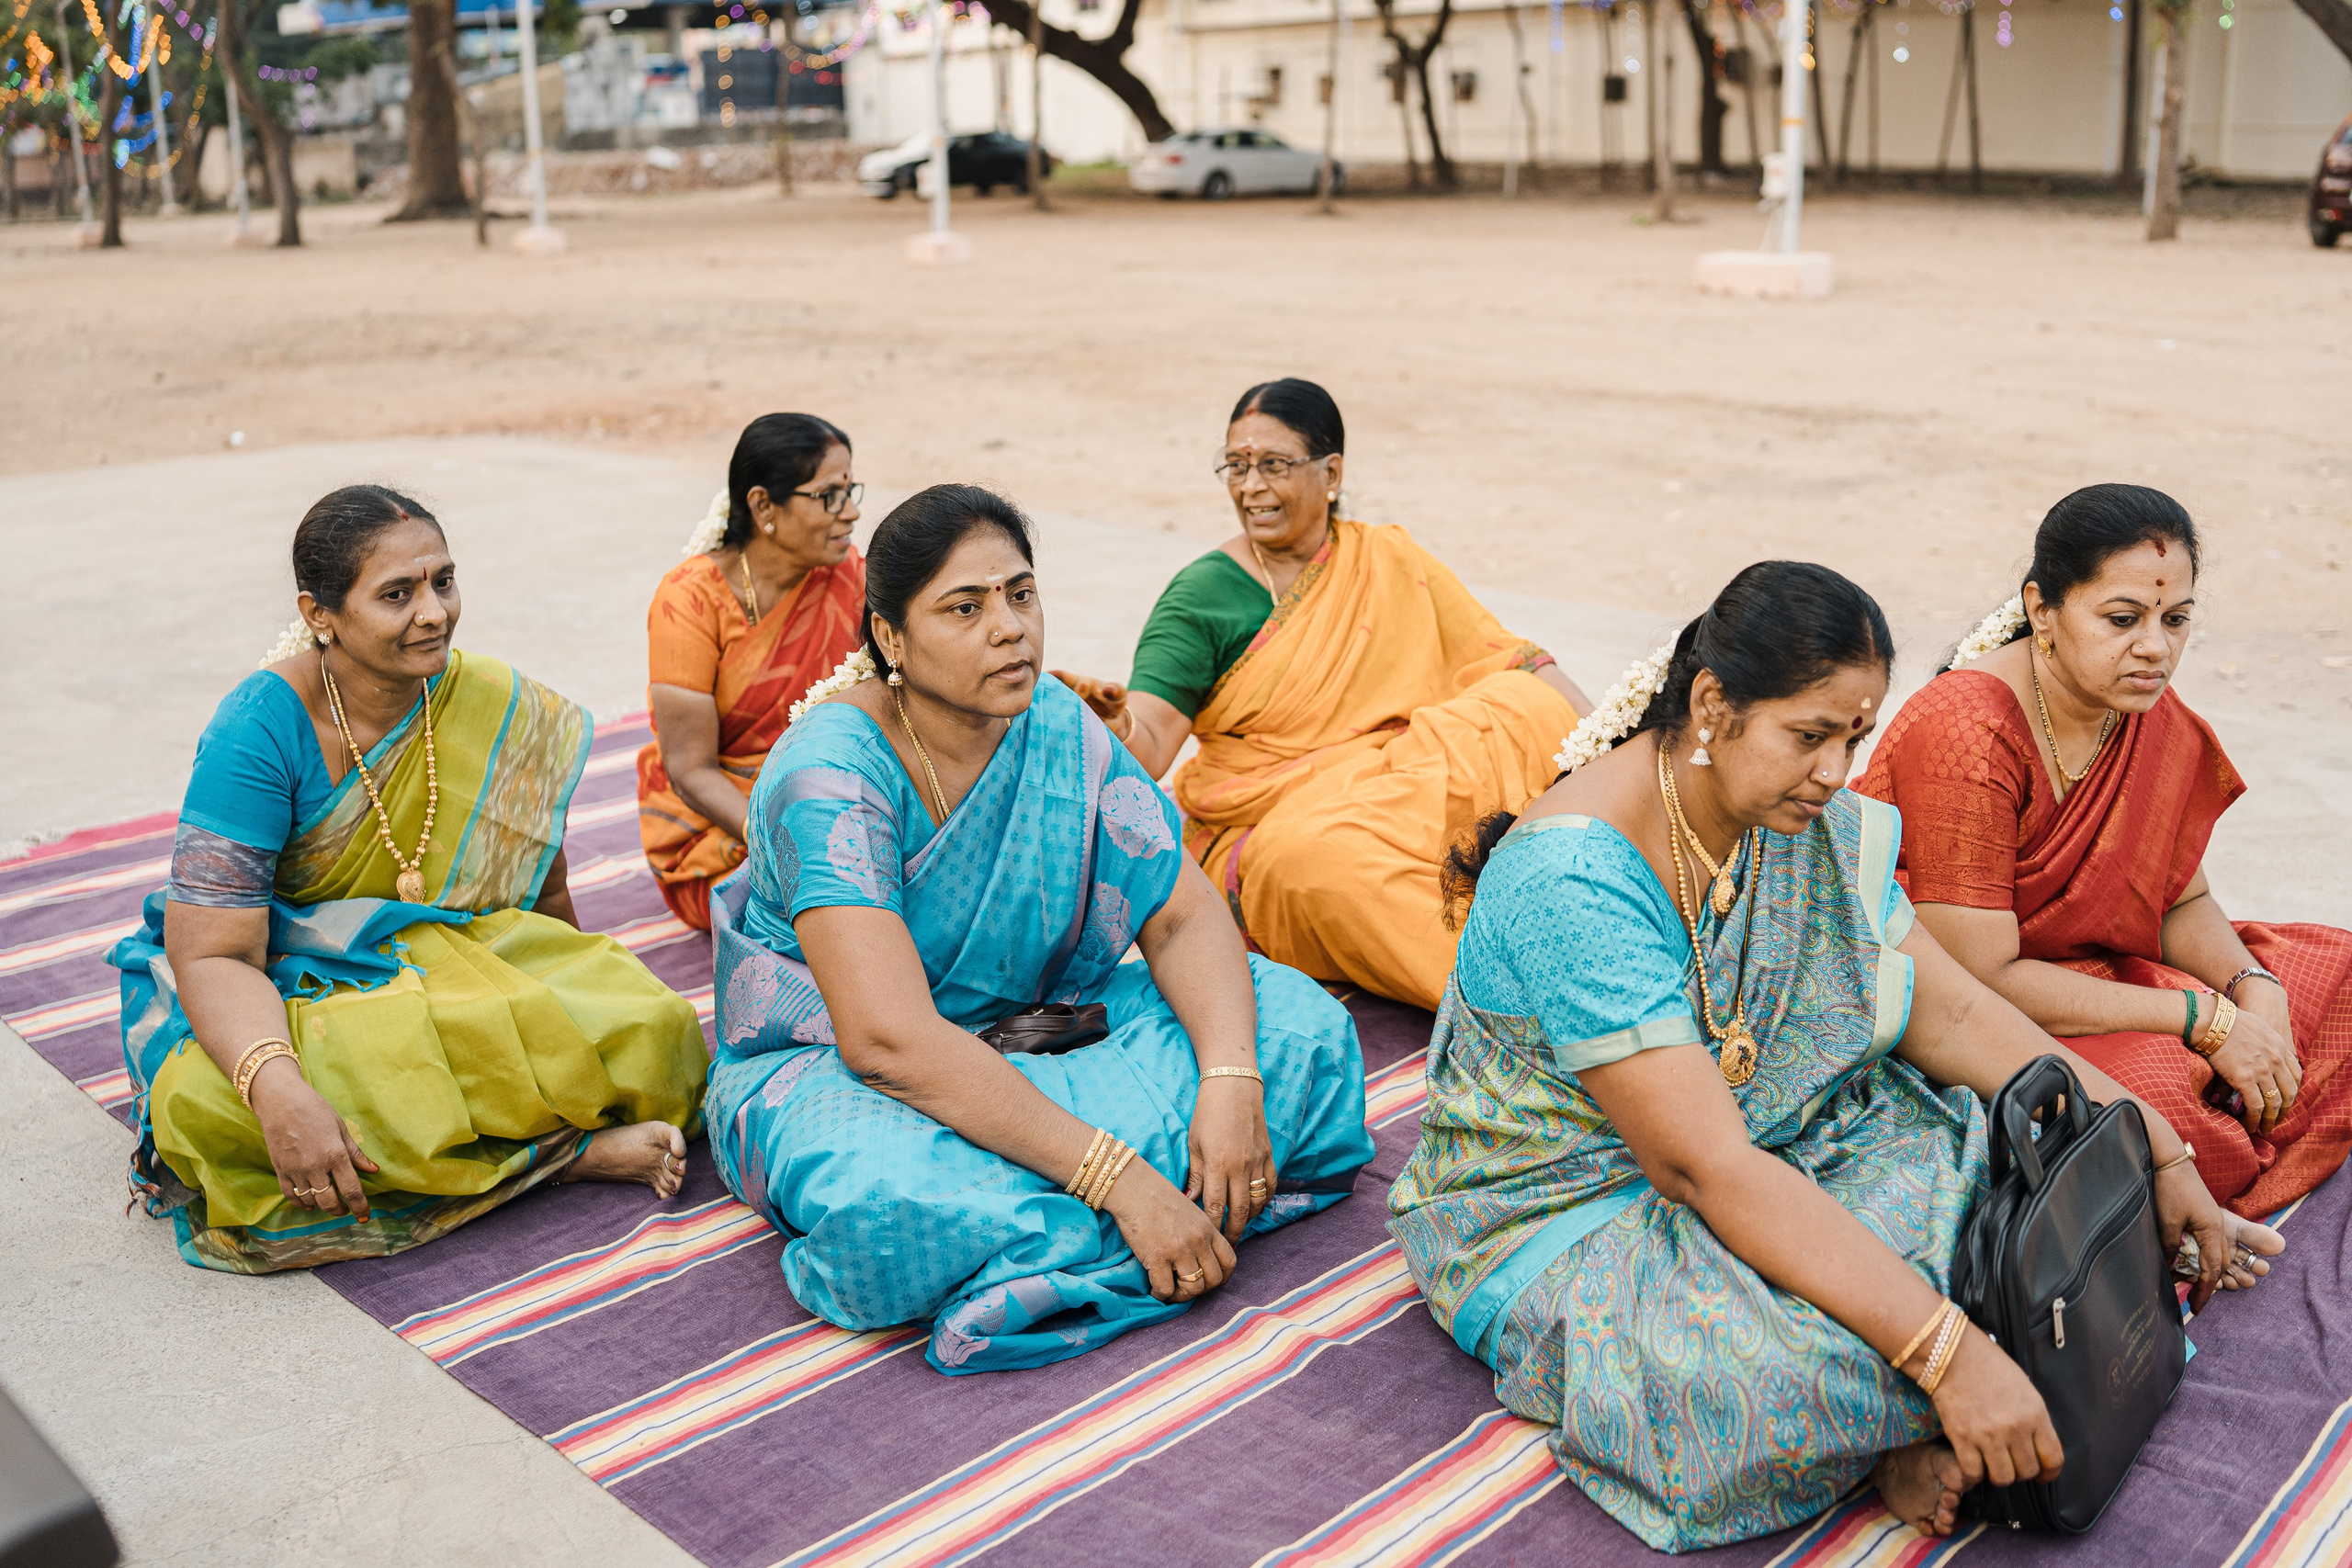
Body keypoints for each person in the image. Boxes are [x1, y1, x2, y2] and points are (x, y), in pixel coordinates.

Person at [1387, 561, 2281, 1553]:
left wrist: (2146, 1149)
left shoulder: (1789, 817)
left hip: (1780, 1139)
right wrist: (1950, 1360)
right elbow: (1699, 1167)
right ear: (1712, 706)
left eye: (1852, 737)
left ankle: (1900, 1424)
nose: (1832, 773)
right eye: (1807, 736)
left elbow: (1952, 1020)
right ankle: (1889, 1442)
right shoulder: (1576, 879)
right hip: (1574, 1209)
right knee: (1740, 1378)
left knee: (2007, 1218)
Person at [707, 484, 1374, 1375]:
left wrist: (1227, 1079)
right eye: (965, 607)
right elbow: (887, 1041)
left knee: (1300, 1031)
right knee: (887, 1206)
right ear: (891, 639)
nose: (1010, 628)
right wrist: (1118, 1178)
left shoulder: (1053, 721)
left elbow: (1176, 913)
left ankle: (1059, 1245)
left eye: (1020, 594)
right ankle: (1151, 1208)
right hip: (848, 1066)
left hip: (1045, 1020)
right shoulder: (830, 772)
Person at [108, 487, 709, 1273]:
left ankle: (509, 1154)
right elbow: (216, 953)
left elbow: (544, 893)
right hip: (297, 983)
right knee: (210, 1108)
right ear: (320, 613)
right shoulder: (257, 728)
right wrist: (280, 1090)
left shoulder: (491, 700)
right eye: (397, 594)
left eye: (443, 582)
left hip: (452, 953)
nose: (434, 613)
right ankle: (564, 1153)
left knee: (656, 1029)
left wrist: (570, 1010)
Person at [1857, 484, 2352, 1217]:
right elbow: (1978, 977)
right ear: (2041, 608)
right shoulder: (1967, 729)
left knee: (2333, 973)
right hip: (1975, 1008)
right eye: (2123, 619)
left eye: (2176, 619)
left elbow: (2183, 900)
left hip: (2099, 973)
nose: (2155, 647)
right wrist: (2205, 1021)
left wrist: (2254, 991)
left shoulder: (2137, 706)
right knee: (2157, 1105)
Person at [1053, 379, 1589, 1012]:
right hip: (1285, 821)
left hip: (1399, 786)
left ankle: (1574, 904)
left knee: (1524, 706)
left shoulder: (1386, 557)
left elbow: (1508, 658)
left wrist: (1612, 738)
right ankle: (1536, 995)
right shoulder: (1202, 597)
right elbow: (1151, 740)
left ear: (1330, 471)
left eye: (1273, 466)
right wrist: (1114, 725)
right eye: (1237, 465)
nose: (1250, 487)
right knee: (1313, 865)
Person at [638, 413, 868, 930]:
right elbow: (690, 770)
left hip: (829, 794)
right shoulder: (690, 602)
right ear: (763, 505)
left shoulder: (847, 575)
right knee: (845, 913)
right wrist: (788, 845)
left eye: (851, 490)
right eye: (829, 495)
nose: (851, 512)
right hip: (724, 833)